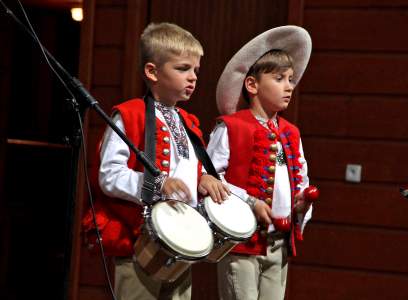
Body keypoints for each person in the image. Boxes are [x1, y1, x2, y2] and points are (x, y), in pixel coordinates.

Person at [82, 22, 229, 300]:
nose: (193, 78)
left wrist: (203, 179)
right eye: (183, 68)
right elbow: (109, 175)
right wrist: (156, 184)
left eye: (196, 70)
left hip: (181, 243)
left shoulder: (189, 123)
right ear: (152, 71)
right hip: (140, 243)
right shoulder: (130, 115)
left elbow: (184, 171)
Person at [206, 25, 314, 300]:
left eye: (290, 79)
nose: (289, 86)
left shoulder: (291, 132)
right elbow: (210, 178)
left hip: (279, 243)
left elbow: (300, 176)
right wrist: (249, 202)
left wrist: (301, 202)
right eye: (279, 78)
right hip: (241, 242)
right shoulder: (231, 128)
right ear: (252, 84)